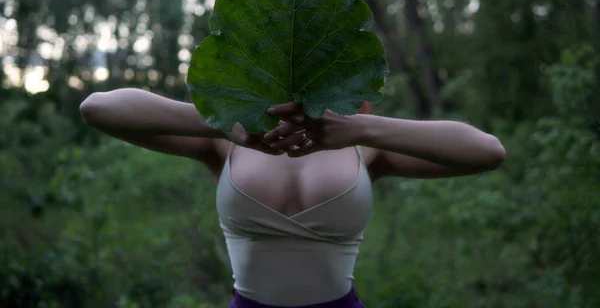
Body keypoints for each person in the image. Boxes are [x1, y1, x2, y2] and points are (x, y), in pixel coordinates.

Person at [79, 88, 506, 307]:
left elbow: (488, 151)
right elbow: (98, 107)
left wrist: (362, 128)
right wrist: (224, 123)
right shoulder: (225, 142)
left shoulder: (364, 145)